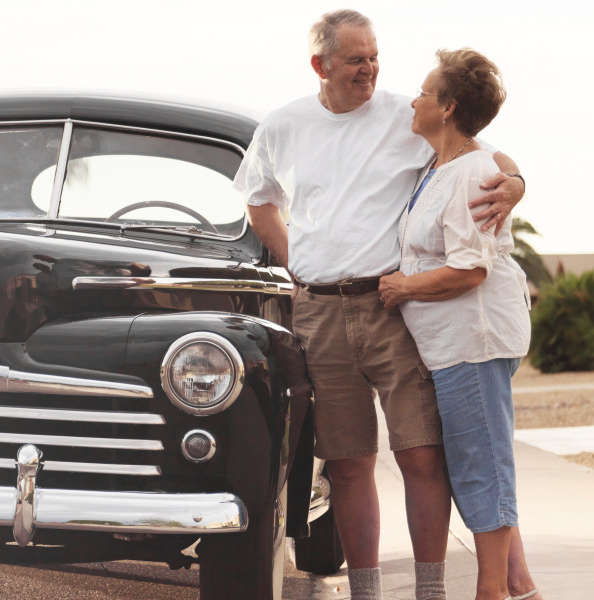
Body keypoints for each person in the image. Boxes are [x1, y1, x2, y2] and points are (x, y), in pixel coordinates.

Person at [233, 9, 526, 600]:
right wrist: (299, 260)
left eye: (374, 57)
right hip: (318, 310)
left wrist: (518, 184)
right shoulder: (283, 124)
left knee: (421, 455)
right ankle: (366, 592)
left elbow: (486, 157)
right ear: (321, 65)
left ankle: (429, 591)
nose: (369, 69)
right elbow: (258, 201)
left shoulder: (409, 113)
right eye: (355, 59)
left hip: (393, 308)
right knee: (346, 462)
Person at [377, 48, 542, 600]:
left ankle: (491, 591)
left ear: (447, 107)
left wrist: (403, 287)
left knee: (482, 466)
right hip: (452, 346)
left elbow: (469, 270)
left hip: (475, 341)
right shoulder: (440, 165)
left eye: (424, 91)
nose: (414, 99)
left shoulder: (472, 170)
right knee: (478, 459)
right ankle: (519, 587)